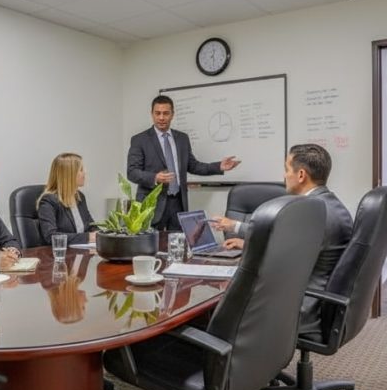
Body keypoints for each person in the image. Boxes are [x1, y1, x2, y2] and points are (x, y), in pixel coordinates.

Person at [210, 143, 352, 338]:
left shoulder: (312, 212)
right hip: (320, 301)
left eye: (287, 169)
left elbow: (275, 257)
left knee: (223, 309)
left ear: (301, 175)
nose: (285, 175)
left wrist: (244, 239)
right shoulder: (333, 205)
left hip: (302, 308)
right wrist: (245, 241)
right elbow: (289, 246)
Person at [127, 95, 240, 231]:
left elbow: (193, 165)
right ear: (152, 114)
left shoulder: (182, 138)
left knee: (177, 246)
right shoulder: (140, 140)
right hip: (152, 206)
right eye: (157, 113)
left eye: (166, 113)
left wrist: (218, 166)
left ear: (172, 114)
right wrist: (155, 178)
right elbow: (132, 172)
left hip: (178, 203)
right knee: (152, 249)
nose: (161, 117)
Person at [37, 153, 96, 245]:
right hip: (61, 255)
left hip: (82, 254)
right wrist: (87, 237)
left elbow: (91, 226)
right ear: (69, 175)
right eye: (81, 170)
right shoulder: (48, 201)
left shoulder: (79, 197)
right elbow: (51, 236)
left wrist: (102, 235)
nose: (85, 172)